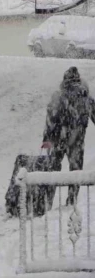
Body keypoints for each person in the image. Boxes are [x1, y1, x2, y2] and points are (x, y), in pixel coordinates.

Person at [42, 66, 95, 205]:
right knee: (75, 171)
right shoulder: (86, 98)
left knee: (52, 169)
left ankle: (47, 200)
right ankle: (71, 199)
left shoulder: (58, 96)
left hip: (59, 139)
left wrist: (47, 141)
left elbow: (50, 121)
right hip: (77, 141)